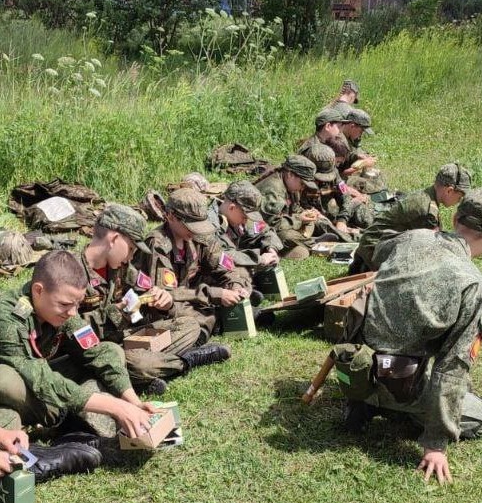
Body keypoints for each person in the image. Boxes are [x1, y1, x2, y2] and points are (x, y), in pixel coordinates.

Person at [341, 187, 482, 484]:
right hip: (400, 380)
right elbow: (453, 365)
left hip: (354, 365)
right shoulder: (472, 283)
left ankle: (365, 402)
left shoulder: (411, 237)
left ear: (455, 216)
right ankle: (395, 410)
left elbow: (379, 251)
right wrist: (436, 443)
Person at [0, 251, 156, 481]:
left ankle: (67, 429)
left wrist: (132, 401)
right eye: (65, 304)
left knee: (111, 351)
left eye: (77, 304)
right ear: (38, 291)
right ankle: (58, 440)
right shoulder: (8, 318)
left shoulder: (63, 307)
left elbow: (96, 351)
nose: (72, 312)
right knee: (5, 382)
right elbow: (39, 379)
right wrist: (114, 406)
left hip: (40, 387)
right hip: (18, 392)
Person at [78, 204, 231, 396]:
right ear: (114, 239)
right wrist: (118, 312)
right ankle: (185, 361)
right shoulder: (71, 272)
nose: (131, 257)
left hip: (128, 337)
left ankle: (145, 374)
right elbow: (69, 329)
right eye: (132, 248)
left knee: (188, 325)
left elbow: (146, 290)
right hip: (100, 351)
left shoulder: (120, 267)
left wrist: (163, 300)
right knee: (138, 364)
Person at [131, 188, 252, 344]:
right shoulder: (158, 244)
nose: (196, 230)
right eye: (191, 224)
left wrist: (235, 286)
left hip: (192, 294)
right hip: (162, 306)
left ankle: (226, 316)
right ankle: (206, 331)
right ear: (171, 217)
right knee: (194, 316)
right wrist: (215, 294)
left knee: (241, 277)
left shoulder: (199, 235)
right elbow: (166, 295)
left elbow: (225, 266)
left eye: (199, 224)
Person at [352, 163, 472, 272]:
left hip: (372, 244)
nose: (459, 201)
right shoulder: (427, 211)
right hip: (374, 251)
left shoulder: (426, 195)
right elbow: (432, 249)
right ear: (449, 191)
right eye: (460, 196)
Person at [254, 155, 322, 260]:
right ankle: (314, 245)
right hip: (261, 232)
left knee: (312, 223)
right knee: (291, 240)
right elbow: (272, 224)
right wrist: (299, 219)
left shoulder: (290, 185)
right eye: (302, 183)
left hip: (282, 224)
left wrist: (306, 213)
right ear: (290, 174)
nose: (303, 187)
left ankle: (306, 242)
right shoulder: (274, 191)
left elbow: (294, 208)